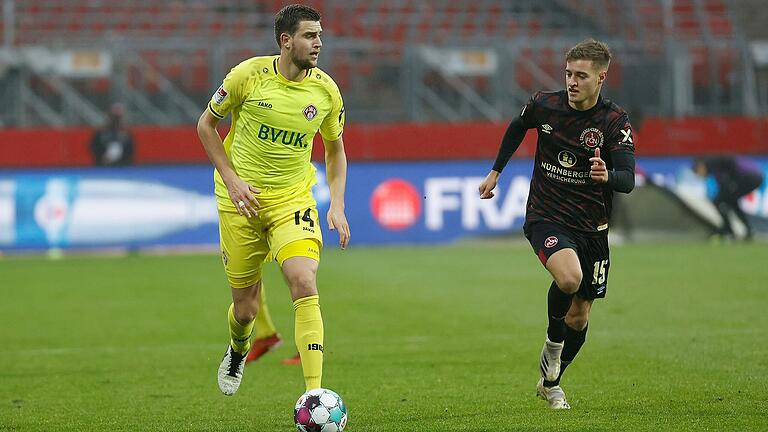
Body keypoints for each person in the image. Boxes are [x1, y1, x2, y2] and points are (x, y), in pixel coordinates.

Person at [196, 4, 350, 396]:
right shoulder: (247, 76)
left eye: (319, 35)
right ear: (286, 40)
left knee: (303, 280)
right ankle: (239, 346)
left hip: (292, 199)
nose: (318, 43)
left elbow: (334, 150)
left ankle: (314, 393)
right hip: (240, 201)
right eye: (309, 35)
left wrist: (337, 204)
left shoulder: (326, 91)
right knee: (245, 308)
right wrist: (231, 181)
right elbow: (206, 125)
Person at [478, 39, 635, 409]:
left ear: (601, 78)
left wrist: (606, 175)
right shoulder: (544, 104)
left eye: (581, 75)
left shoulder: (615, 122)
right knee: (568, 277)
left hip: (592, 228)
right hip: (546, 215)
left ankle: (551, 381)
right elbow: (517, 127)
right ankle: (552, 342)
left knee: (579, 317)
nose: (572, 82)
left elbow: (627, 179)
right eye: (568, 74)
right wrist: (496, 170)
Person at [693, 156, 764, 240]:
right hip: (754, 178)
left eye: (698, 172)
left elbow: (730, 162)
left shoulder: (712, 162)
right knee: (731, 201)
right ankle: (747, 230)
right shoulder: (713, 166)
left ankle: (728, 231)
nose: (701, 175)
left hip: (749, 178)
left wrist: (733, 183)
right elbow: (722, 183)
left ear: (700, 166)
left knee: (718, 201)